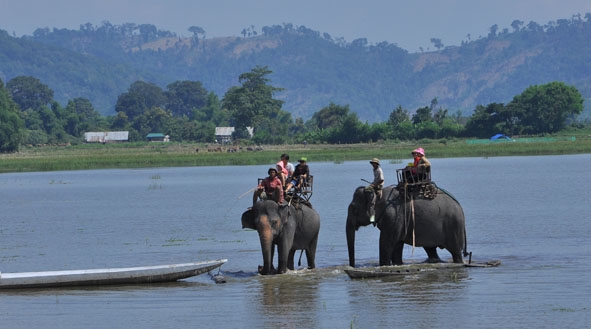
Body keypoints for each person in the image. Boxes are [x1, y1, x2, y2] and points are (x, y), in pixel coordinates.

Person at [368, 158, 384, 223]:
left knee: (372, 202)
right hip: (375, 184)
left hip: (379, 186)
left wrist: (374, 185)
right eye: (372, 163)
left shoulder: (379, 170)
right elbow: (376, 179)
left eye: (374, 163)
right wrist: (372, 184)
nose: (372, 164)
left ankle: (372, 217)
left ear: (376, 164)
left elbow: (381, 180)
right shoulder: (374, 169)